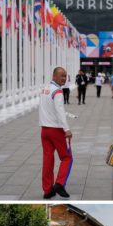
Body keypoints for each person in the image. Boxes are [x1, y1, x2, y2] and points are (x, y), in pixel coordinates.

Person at [39, 66, 72, 200]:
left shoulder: (44, 89)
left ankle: (47, 190)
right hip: (56, 129)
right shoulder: (57, 92)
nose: (64, 78)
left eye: (65, 76)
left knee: (48, 159)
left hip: (44, 129)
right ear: (54, 76)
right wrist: (67, 129)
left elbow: (46, 108)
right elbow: (59, 112)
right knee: (66, 157)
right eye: (61, 76)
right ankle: (59, 183)